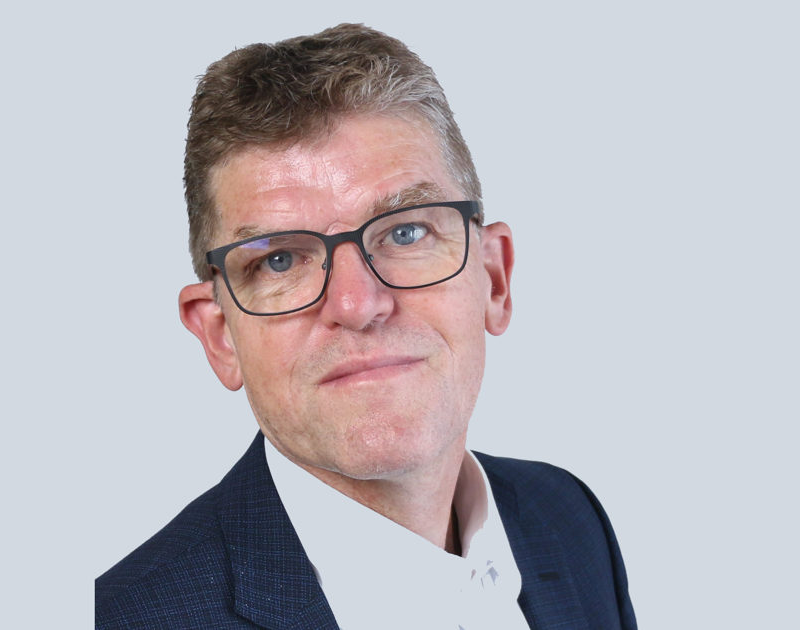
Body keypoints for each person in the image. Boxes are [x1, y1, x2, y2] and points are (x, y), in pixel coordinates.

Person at [96, 23, 636, 630]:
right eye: (281, 260)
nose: (356, 304)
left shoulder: (568, 520)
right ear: (221, 337)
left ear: (495, 280)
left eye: (406, 232)